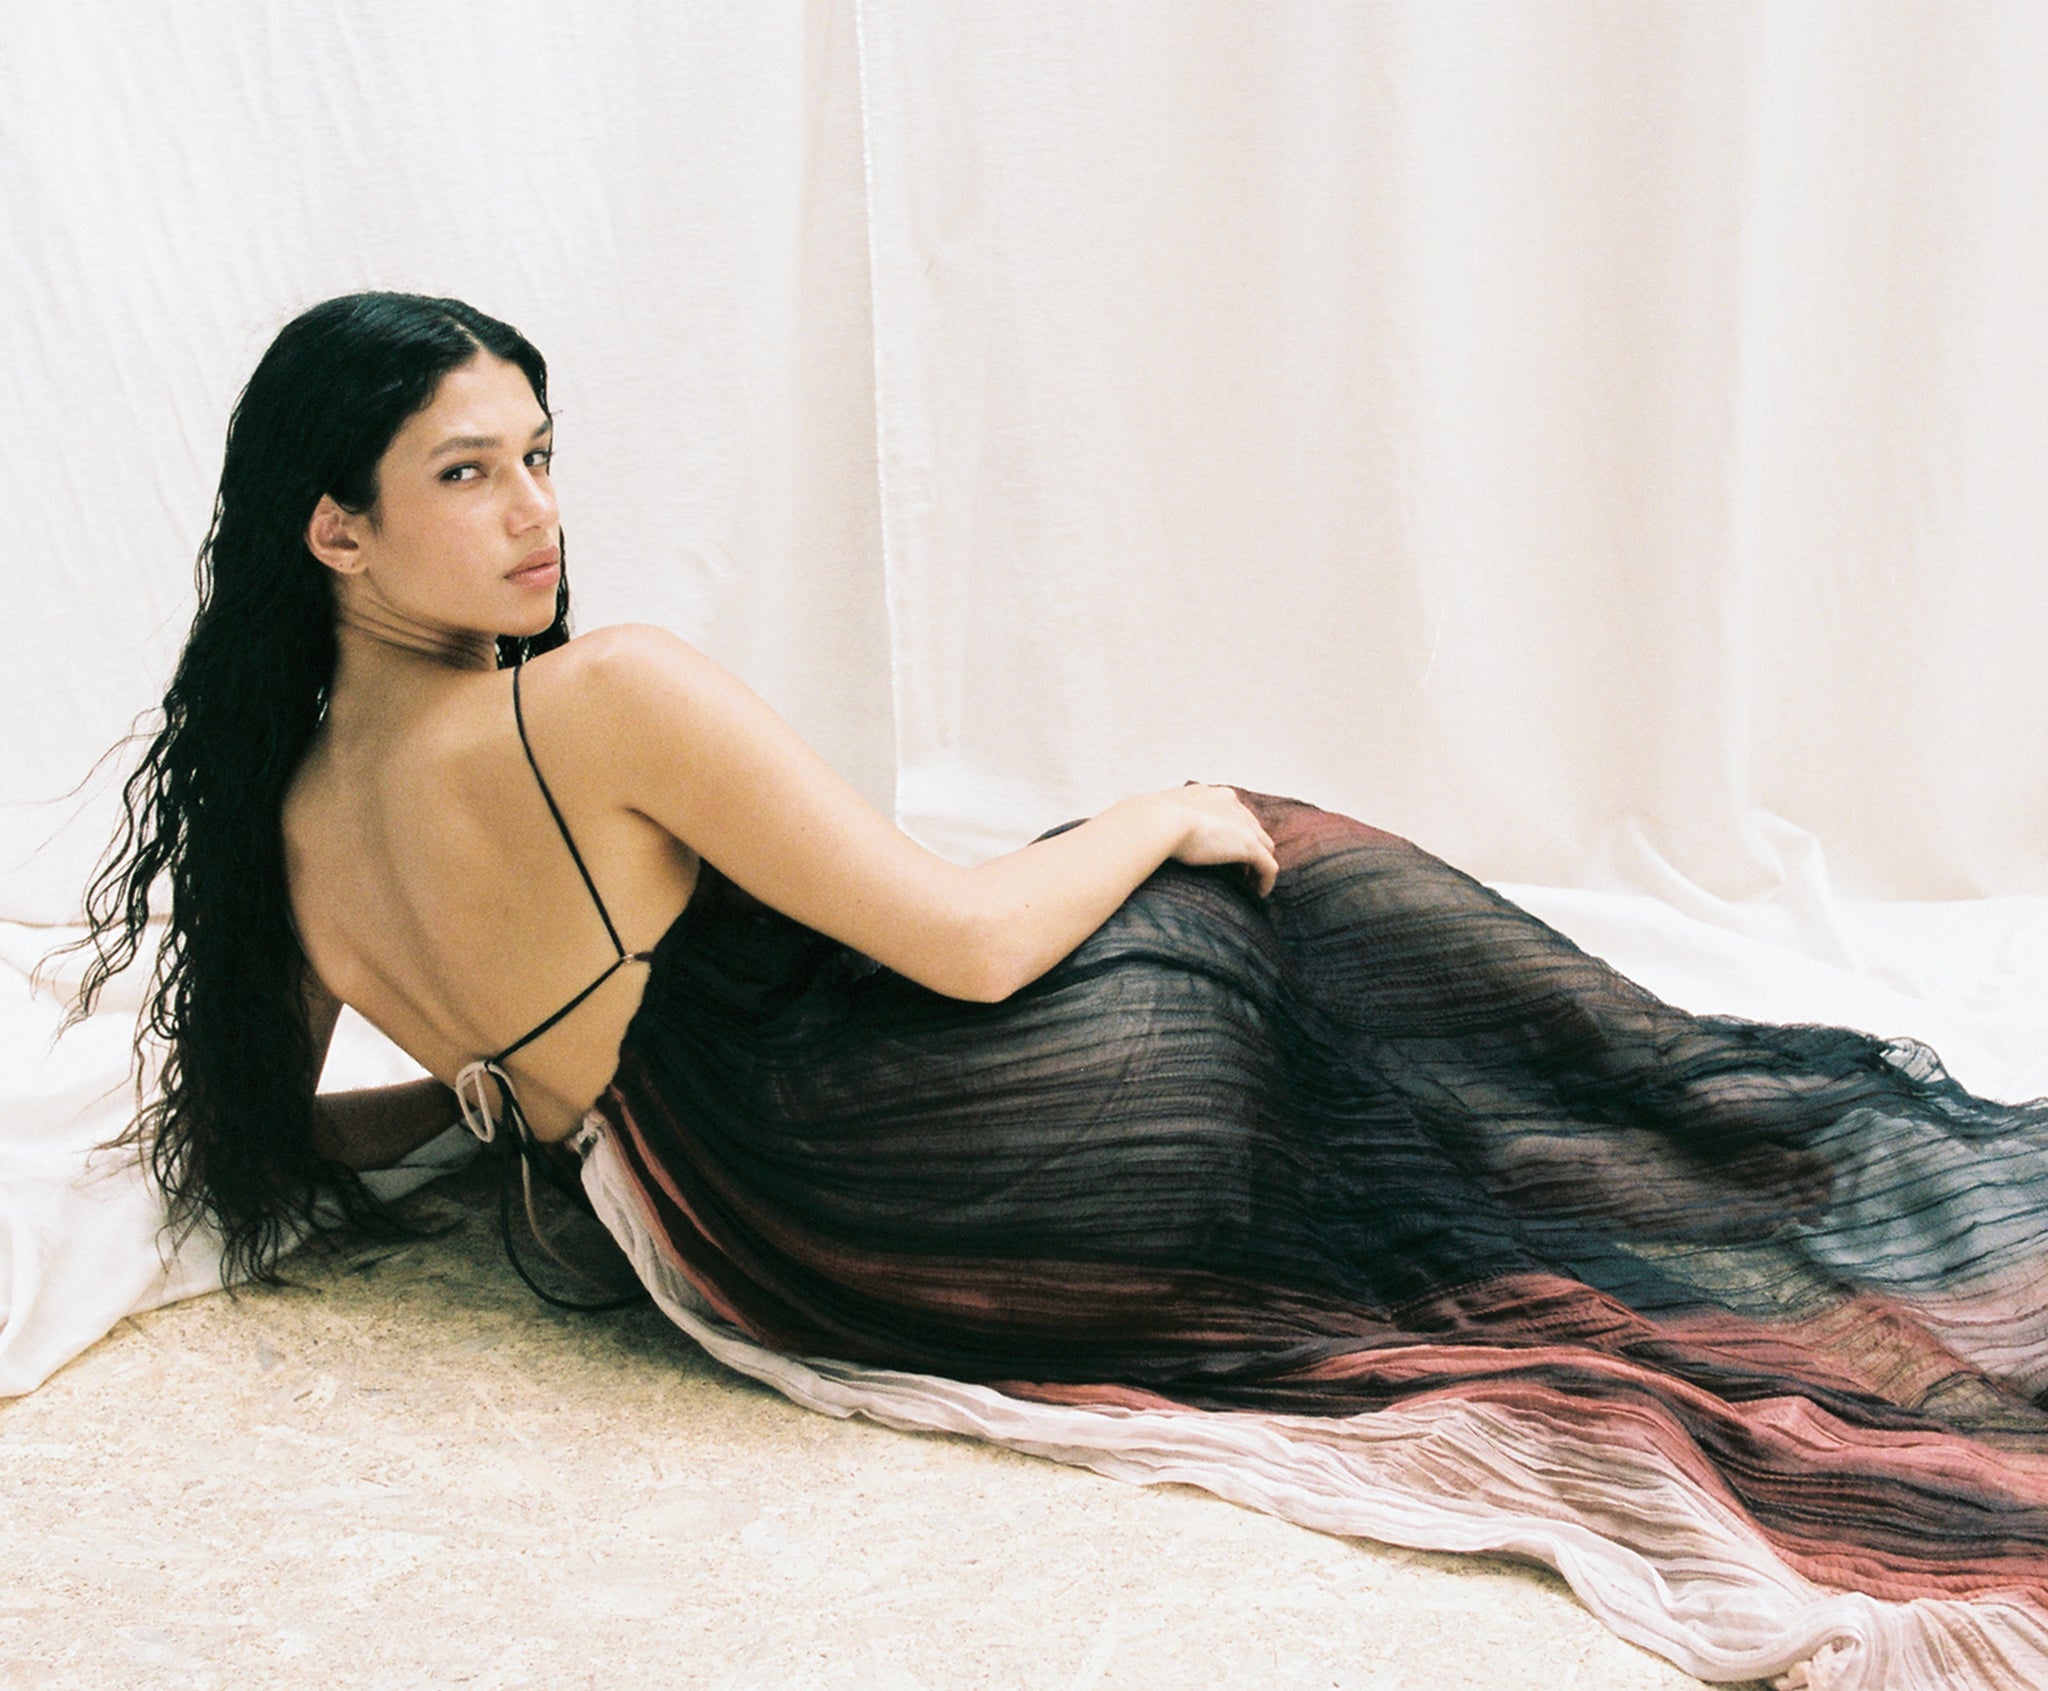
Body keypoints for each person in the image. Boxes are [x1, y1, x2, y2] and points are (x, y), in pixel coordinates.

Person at [64, 292, 2048, 1689]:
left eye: (542, 457)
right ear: (337, 529)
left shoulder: (279, 836)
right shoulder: (604, 697)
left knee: (1454, 1139)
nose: (536, 516)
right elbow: (968, 944)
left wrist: (504, 1114)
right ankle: (1802, 1162)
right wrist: (1159, 813)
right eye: (468, 474)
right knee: (1292, 881)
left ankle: (1738, 1172)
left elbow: (357, 1119)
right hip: (983, 1146)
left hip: (774, 1248)